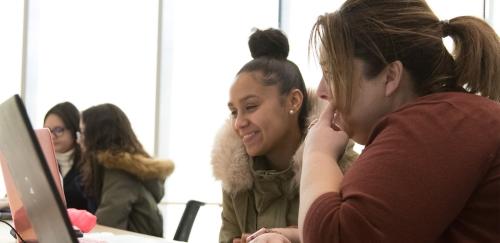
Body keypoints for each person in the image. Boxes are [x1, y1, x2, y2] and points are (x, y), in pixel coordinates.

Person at [299, 0, 500, 242]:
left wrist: (318, 153)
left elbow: (335, 236)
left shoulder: (433, 125)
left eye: (334, 73)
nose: (321, 90)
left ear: (390, 76)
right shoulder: (451, 118)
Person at [211, 28, 357, 243]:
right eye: (234, 111)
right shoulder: (236, 180)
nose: (239, 123)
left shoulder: (345, 168)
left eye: (250, 106)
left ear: (293, 102)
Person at [78, 103, 174, 237]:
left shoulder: (120, 172)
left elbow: (107, 222)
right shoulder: (128, 169)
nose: (79, 140)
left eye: (83, 132)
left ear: (96, 135)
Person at [44, 102, 91, 211]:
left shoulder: (89, 163)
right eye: (47, 131)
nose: (51, 136)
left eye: (58, 130)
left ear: (74, 130)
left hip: (82, 226)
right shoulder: (41, 162)